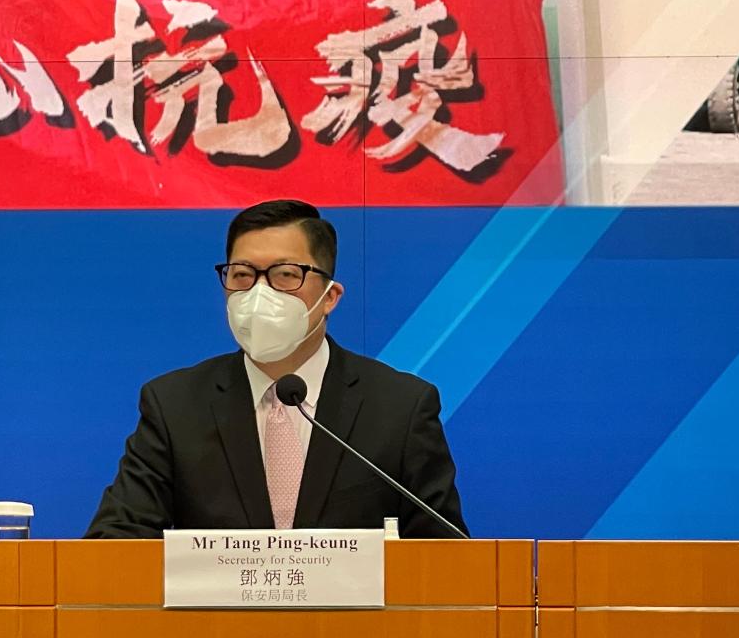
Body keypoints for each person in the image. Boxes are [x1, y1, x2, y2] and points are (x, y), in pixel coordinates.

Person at [85, 199, 469, 538]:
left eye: (285, 275)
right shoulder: (174, 405)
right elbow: (114, 543)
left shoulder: (401, 408)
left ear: (330, 297)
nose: (259, 293)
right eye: (242, 275)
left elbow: (445, 556)